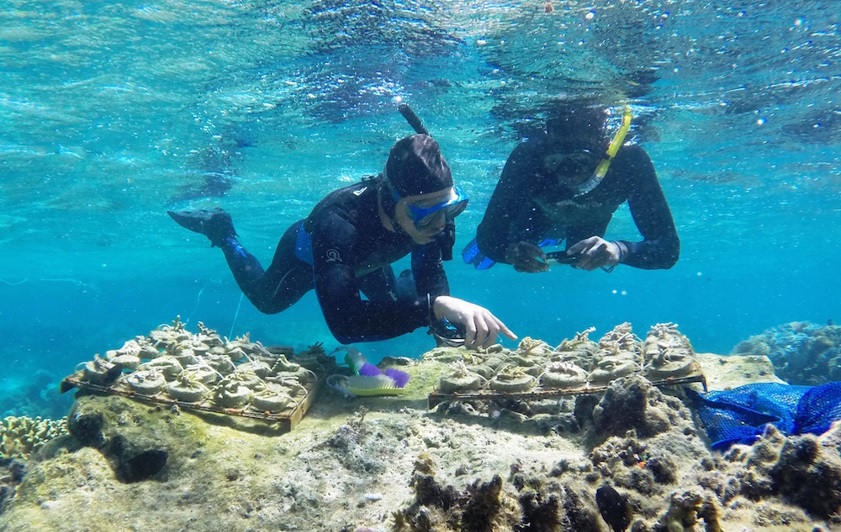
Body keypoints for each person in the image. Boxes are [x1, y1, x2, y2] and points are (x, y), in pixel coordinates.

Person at [169, 134, 516, 349]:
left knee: (401, 304)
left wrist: (443, 318)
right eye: (426, 213)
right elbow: (346, 325)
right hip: (310, 259)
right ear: (392, 199)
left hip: (370, 261)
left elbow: (430, 271)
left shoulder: (427, 217)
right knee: (266, 302)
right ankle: (223, 233)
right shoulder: (338, 222)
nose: (440, 223)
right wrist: (433, 308)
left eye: (451, 208)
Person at [463, 104, 679, 273]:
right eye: (556, 161)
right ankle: (548, 236)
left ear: (606, 150)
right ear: (544, 153)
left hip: (588, 220)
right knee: (519, 245)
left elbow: (667, 249)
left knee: (580, 258)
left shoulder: (628, 160)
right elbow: (488, 237)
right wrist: (508, 253)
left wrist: (618, 250)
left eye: (580, 160)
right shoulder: (528, 159)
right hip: (537, 216)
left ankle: (553, 237)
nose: (568, 173)